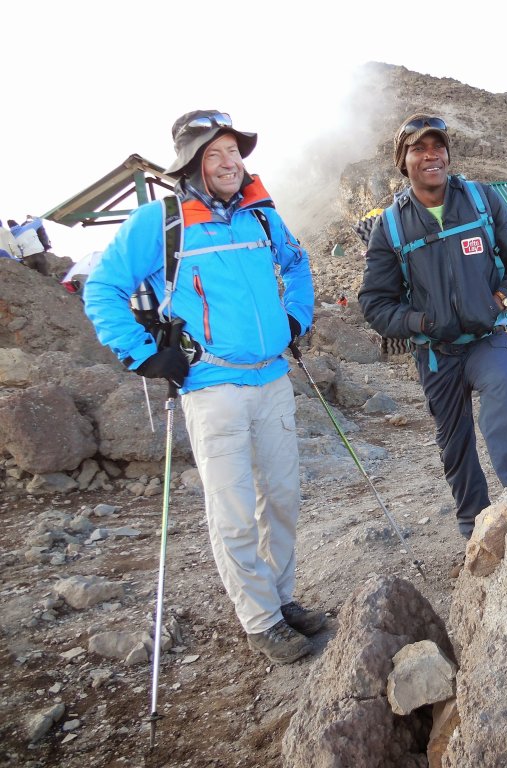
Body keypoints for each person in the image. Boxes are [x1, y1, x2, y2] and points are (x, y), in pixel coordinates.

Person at [83, 110, 321, 665]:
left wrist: (295, 318)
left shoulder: (261, 217)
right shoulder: (161, 222)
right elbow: (103, 288)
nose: (229, 163)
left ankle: (281, 601)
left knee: (282, 497)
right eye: (214, 154)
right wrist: (143, 355)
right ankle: (260, 619)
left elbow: (299, 264)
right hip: (211, 385)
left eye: (234, 151)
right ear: (191, 164)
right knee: (234, 509)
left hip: (272, 379)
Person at [359, 114, 507, 539]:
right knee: (455, 442)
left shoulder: (482, 200)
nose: (431, 155)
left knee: (505, 395)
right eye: (418, 149)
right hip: (435, 352)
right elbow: (374, 302)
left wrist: (500, 299)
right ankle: (474, 529)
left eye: (437, 146)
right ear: (402, 161)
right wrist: (418, 321)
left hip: (488, 338)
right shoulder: (390, 226)